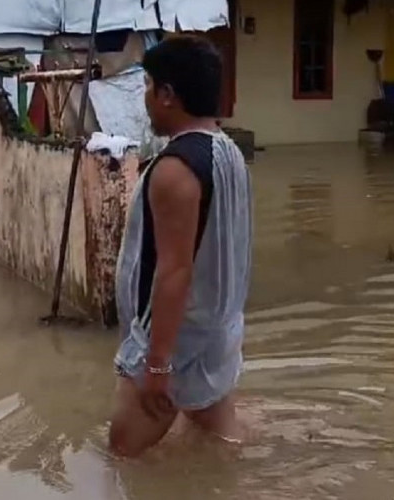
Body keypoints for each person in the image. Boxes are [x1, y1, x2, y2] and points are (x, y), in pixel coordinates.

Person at [109, 35, 253, 458]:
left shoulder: (175, 171)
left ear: (168, 94)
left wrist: (156, 366)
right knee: (220, 444)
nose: (147, 99)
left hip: (177, 341)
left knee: (123, 454)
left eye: (149, 87)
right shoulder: (229, 154)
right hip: (217, 329)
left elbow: (174, 271)